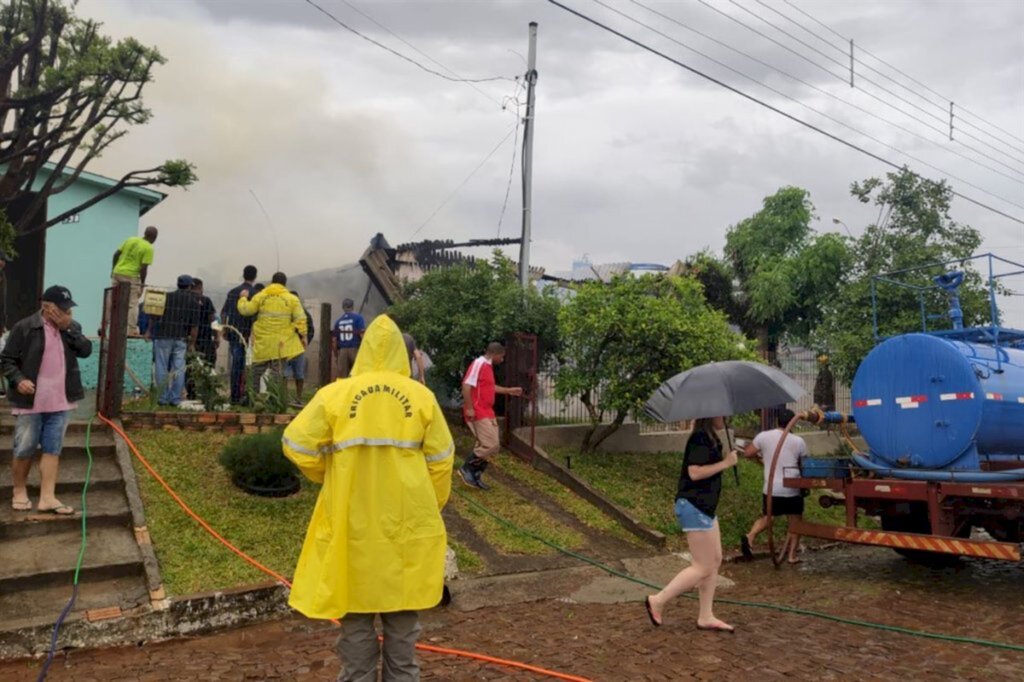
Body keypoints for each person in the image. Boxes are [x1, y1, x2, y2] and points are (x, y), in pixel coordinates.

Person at [282, 314, 454, 682]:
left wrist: (328, 475)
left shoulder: (336, 394)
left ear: (364, 351)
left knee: (355, 633)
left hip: (350, 531)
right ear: (402, 354)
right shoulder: (421, 397)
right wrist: (430, 506)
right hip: (406, 533)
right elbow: (441, 460)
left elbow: (296, 443)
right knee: (403, 638)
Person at [1, 286, 92, 514]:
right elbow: (7, 360)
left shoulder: (71, 327)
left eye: (68, 308)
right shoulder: (25, 327)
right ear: (47, 306)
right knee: (24, 448)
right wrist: (18, 380)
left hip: (60, 400)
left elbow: (85, 351)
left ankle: (47, 497)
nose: (66, 312)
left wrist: (69, 327)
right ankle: (19, 491)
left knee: (53, 449)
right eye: (62, 309)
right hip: (31, 401)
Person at [645, 417, 739, 633]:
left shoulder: (711, 438)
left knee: (714, 561)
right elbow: (694, 472)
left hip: (705, 508)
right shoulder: (699, 438)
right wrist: (726, 463)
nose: (726, 417)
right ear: (711, 413)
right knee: (702, 565)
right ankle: (657, 600)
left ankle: (706, 615)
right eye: (722, 413)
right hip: (694, 507)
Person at [741, 409, 808, 564]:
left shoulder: (763, 436)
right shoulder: (798, 441)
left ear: (777, 421)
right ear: (793, 423)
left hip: (772, 488)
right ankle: (792, 556)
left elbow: (748, 453)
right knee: (795, 522)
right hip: (792, 487)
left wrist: (761, 460)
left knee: (768, 518)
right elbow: (804, 464)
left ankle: (750, 536)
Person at [457, 342, 523, 490]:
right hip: (478, 411)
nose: (503, 359)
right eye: (502, 356)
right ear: (495, 354)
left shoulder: (487, 366)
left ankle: (475, 475)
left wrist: (508, 390)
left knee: (493, 447)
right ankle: (467, 469)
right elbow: (466, 386)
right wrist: (469, 408)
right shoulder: (479, 364)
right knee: (490, 444)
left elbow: (488, 387)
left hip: (487, 411)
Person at [237, 272, 307, 403]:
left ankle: (253, 399)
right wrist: (304, 336)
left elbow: (246, 310)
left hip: (262, 343)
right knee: (277, 373)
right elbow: (301, 319)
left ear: (271, 281)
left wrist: (243, 298)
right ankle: (275, 400)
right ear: (285, 283)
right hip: (281, 344)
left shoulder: (261, 296)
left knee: (256, 371)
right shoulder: (292, 299)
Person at [150, 275, 199, 407]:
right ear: (189, 286)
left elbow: (154, 316)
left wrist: (149, 331)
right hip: (181, 338)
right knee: (179, 368)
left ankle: (162, 398)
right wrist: (192, 343)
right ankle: (175, 398)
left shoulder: (166, 297)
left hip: (163, 336)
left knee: (161, 366)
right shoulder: (193, 302)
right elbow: (194, 327)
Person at [221, 266, 258, 404]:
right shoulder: (255, 293)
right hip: (251, 335)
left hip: (235, 333)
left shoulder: (232, 292)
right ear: (255, 277)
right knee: (252, 366)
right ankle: (249, 396)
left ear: (243, 275)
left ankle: (235, 396)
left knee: (236, 365)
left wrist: (224, 329)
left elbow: (223, 312)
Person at [111, 225, 158, 335]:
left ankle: (107, 326)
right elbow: (143, 268)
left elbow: (116, 254)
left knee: (114, 300)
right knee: (133, 303)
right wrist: (142, 284)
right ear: (154, 237)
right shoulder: (148, 248)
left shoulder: (130, 239)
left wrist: (113, 269)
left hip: (117, 272)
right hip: (131, 276)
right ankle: (131, 330)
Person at [186, 278, 219, 401]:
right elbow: (213, 319)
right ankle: (207, 392)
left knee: (190, 367)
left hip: (188, 339)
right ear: (201, 287)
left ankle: (191, 393)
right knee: (209, 365)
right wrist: (217, 336)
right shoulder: (206, 300)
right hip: (206, 338)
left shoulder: (186, 299)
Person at [283, 290, 315, 407]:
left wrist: (305, 343)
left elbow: (311, 329)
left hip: (298, 349)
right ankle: (284, 398)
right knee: (284, 374)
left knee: (299, 374)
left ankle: (299, 398)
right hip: (285, 348)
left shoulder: (304, 313)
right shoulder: (284, 313)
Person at [332, 298, 365, 380]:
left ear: (343, 307)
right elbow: (362, 334)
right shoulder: (359, 318)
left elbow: (334, 341)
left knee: (342, 378)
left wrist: (336, 355)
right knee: (357, 375)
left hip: (342, 351)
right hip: (355, 350)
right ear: (352, 307)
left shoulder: (338, 322)